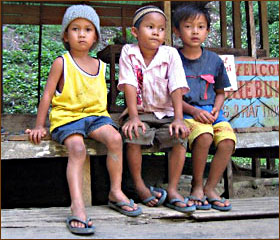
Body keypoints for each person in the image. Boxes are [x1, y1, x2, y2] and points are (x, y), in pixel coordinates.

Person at [25, 4, 142, 235]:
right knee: (77, 149)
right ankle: (77, 205)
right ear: (66, 36)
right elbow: (47, 95)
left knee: (115, 139)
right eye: (75, 29)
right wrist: (39, 125)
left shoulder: (100, 66)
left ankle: (115, 191)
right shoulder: (62, 62)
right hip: (67, 118)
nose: (81, 34)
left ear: (95, 36)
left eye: (88, 29)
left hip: (95, 118)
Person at [117, 5, 196, 213]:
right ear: (135, 32)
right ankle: (140, 186)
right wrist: (133, 117)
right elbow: (129, 84)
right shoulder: (129, 52)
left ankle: (172, 189)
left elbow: (177, 86)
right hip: (141, 112)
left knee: (179, 137)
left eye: (161, 29)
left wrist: (179, 119)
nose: (156, 32)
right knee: (134, 134)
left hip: (166, 113)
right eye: (150, 27)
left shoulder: (170, 54)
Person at [173, 3, 237, 211]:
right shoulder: (173, 59)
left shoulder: (214, 60)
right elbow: (170, 95)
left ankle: (211, 188)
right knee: (204, 137)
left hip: (211, 113)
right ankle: (196, 187)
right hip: (185, 112)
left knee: (227, 140)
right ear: (177, 31)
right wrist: (194, 111)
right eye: (189, 26)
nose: (195, 31)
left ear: (207, 31)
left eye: (201, 27)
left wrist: (216, 109)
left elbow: (220, 93)